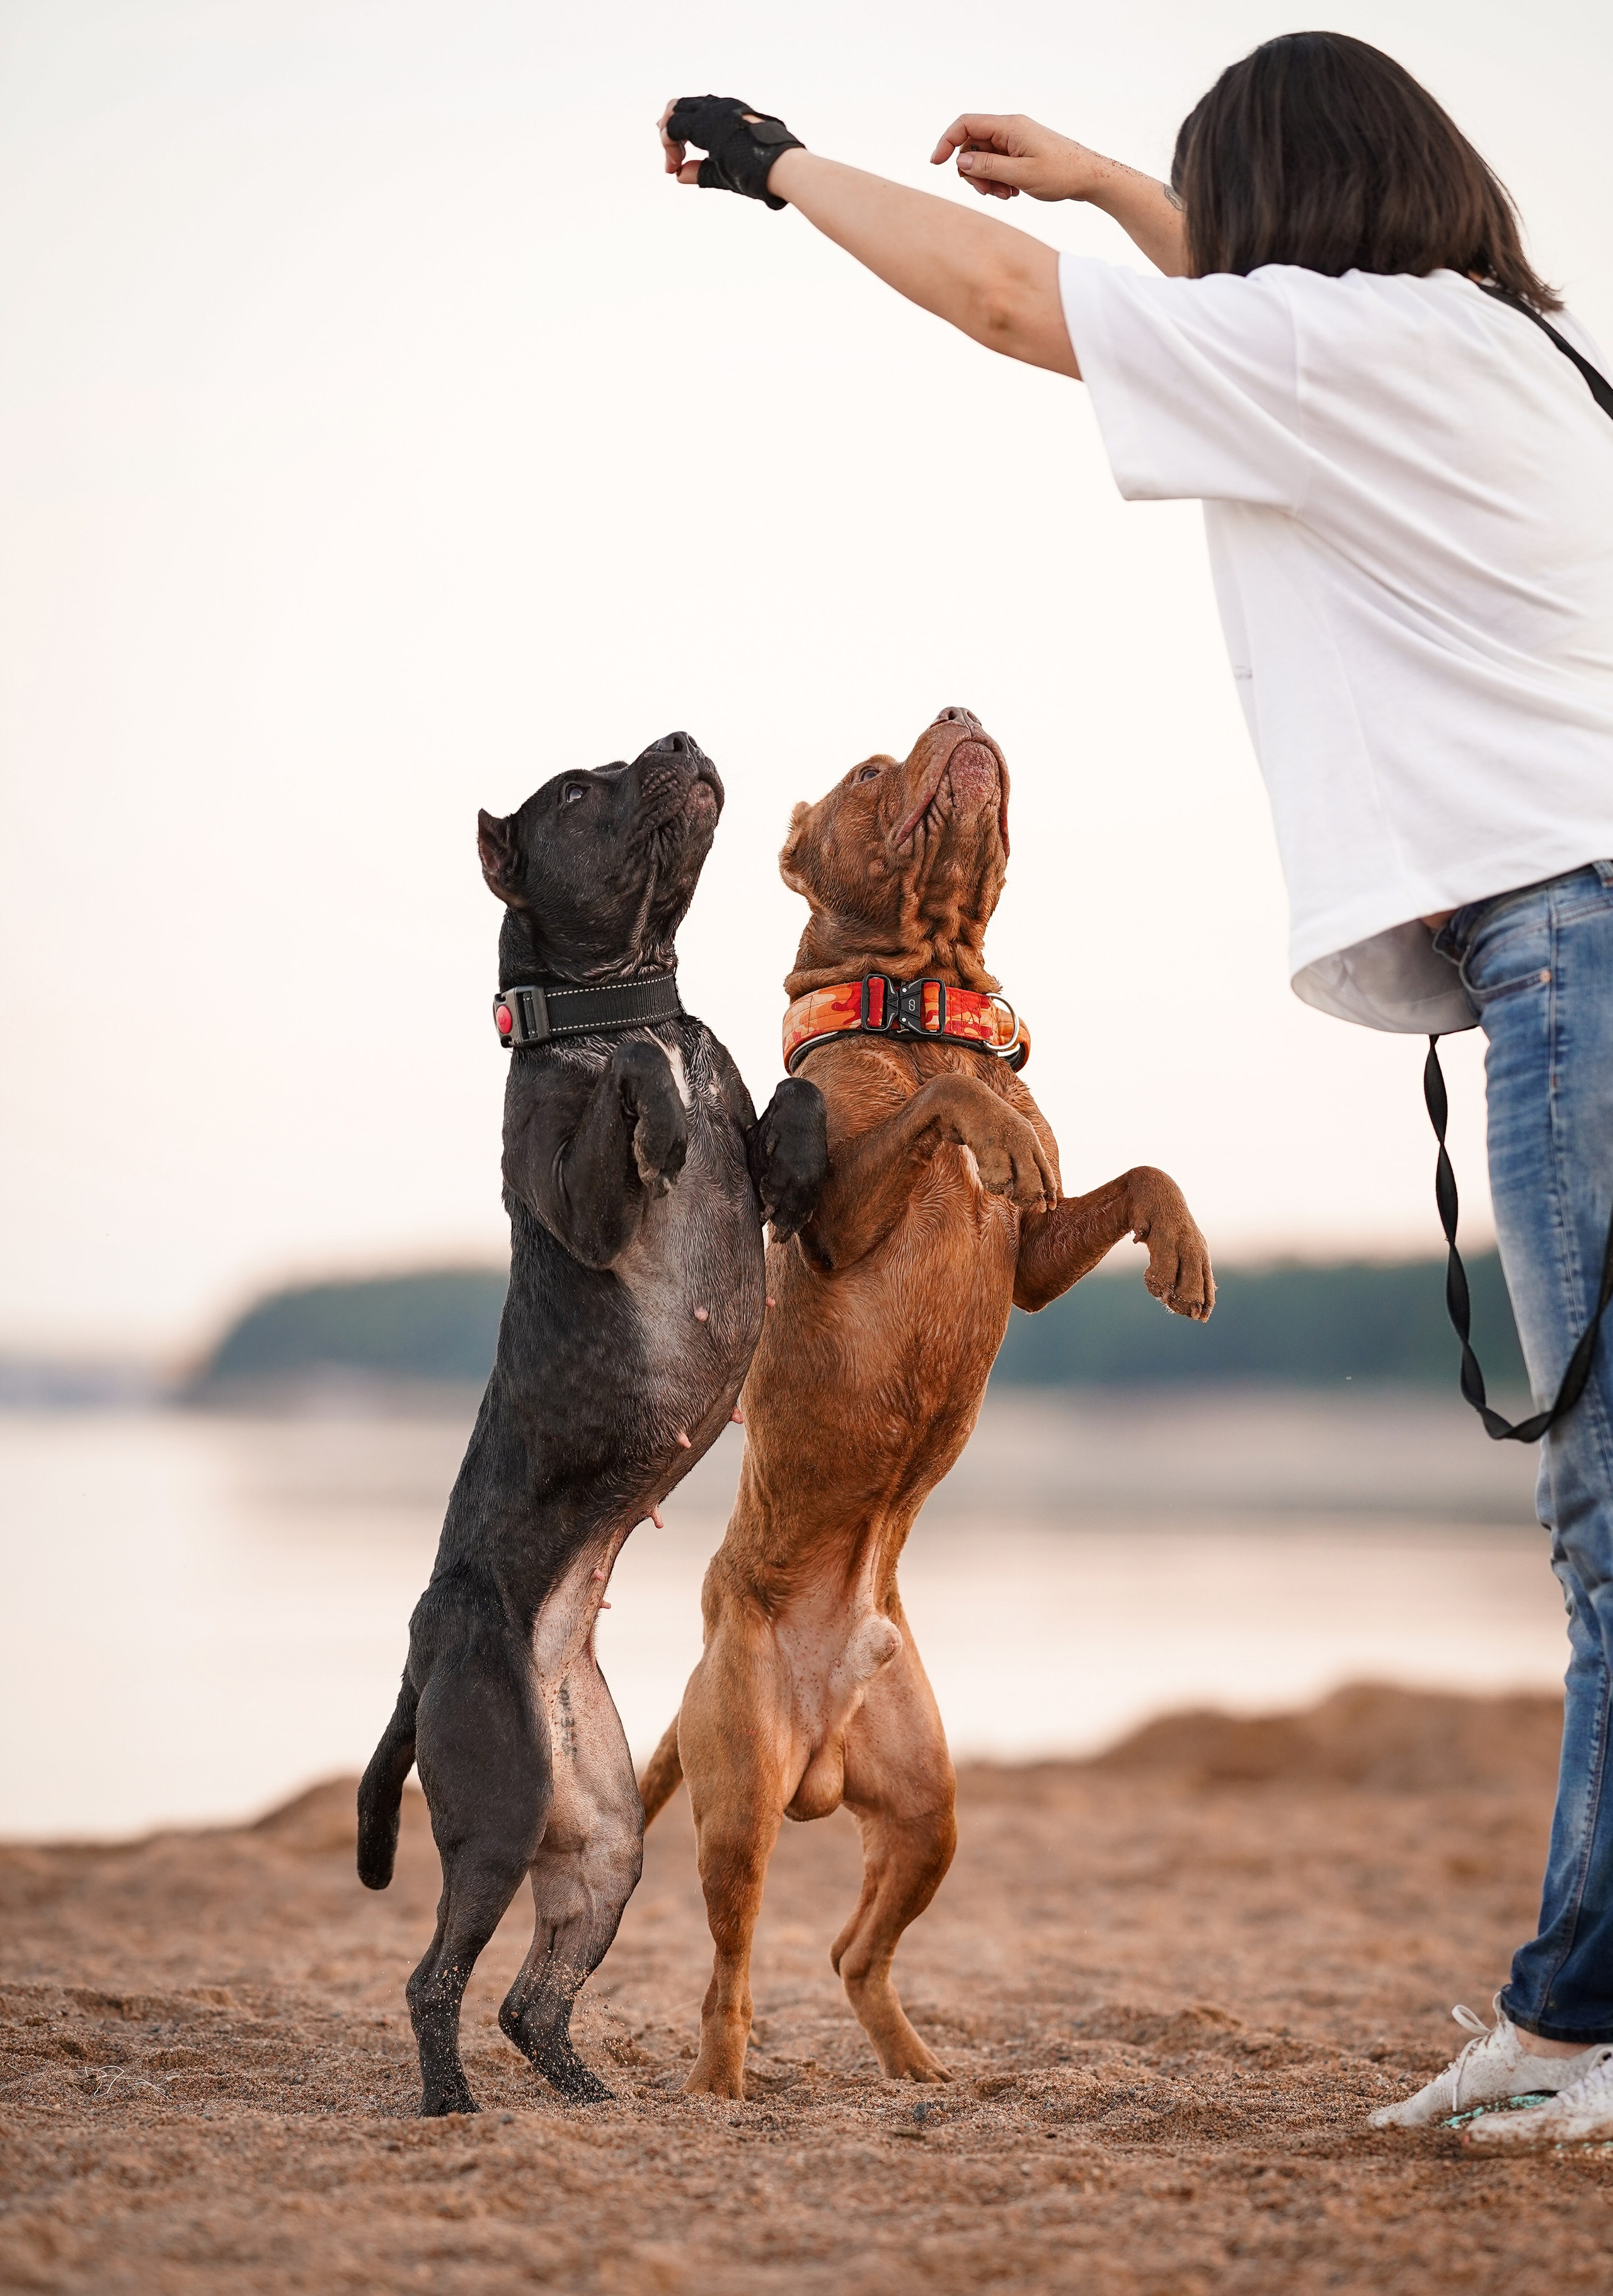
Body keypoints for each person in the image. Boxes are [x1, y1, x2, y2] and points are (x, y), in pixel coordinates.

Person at [657, 35, 1613, 2147]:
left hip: (1579, 952)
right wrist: (1105, 178)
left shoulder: (1356, 352)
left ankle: (1574, 2029)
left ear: (1298, 211)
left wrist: (789, 172)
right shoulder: (1515, 344)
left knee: (1609, 1510)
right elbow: (1245, 290)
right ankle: (1575, 2015)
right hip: (1578, 936)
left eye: (1231, 208)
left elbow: (1022, 316)